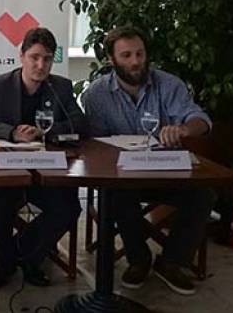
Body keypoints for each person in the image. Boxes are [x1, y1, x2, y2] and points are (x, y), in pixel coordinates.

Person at [81, 26, 214, 296]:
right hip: (122, 176)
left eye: (140, 54)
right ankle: (138, 259)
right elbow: (94, 145)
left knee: (204, 193)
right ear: (111, 60)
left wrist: (184, 129)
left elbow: (201, 120)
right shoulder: (96, 94)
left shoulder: (169, 85)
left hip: (165, 173)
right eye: (126, 55)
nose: (135, 62)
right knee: (115, 194)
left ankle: (172, 262)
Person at [0, 27, 87, 290]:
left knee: (69, 207)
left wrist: (45, 131)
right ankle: (4, 264)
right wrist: (11, 132)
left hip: (47, 172)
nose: (40, 65)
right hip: (7, 172)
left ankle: (25, 256)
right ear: (21, 56)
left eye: (47, 59)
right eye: (34, 57)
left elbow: (80, 123)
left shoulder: (60, 87)